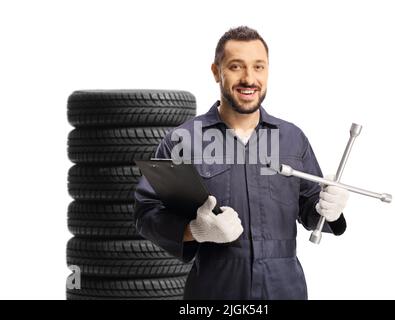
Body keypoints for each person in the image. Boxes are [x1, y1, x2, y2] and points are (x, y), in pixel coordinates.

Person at [134, 26, 349, 300]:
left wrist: (329, 209)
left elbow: (311, 209)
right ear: (216, 71)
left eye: (259, 67)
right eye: (236, 66)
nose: (249, 78)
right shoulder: (184, 140)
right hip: (215, 293)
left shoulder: (292, 139)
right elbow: (146, 212)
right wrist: (195, 231)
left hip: (285, 290)